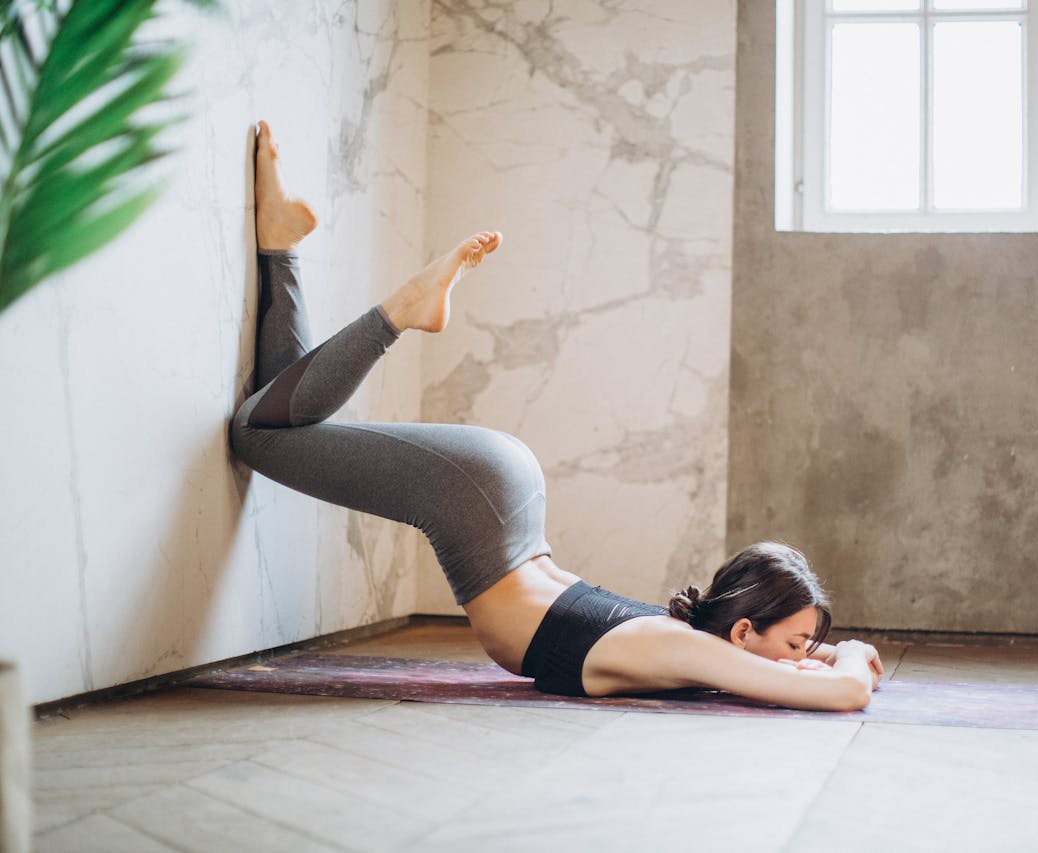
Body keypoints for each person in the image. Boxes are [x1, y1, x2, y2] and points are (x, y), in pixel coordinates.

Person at [230, 121, 884, 712]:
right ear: (743, 631)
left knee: (281, 424)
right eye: (797, 642)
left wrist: (820, 648)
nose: (804, 656)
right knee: (252, 431)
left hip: (501, 494)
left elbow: (805, 668)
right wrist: (848, 652)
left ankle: (280, 246)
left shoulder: (690, 639)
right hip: (475, 504)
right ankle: (405, 307)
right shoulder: (693, 652)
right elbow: (848, 693)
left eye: (806, 646)